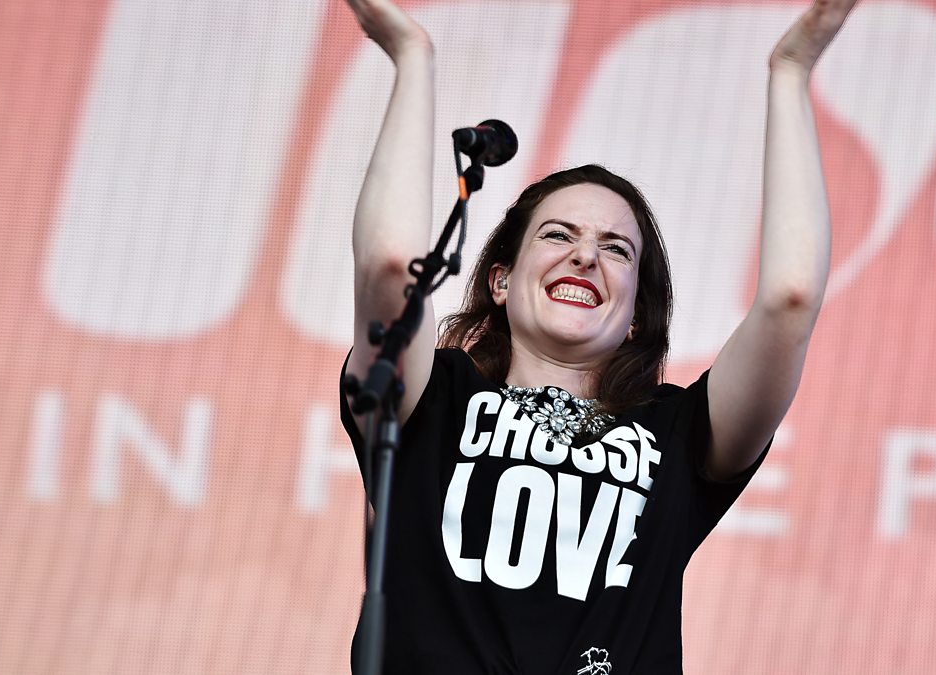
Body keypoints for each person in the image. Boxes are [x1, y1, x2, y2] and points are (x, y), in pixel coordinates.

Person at [339, 0, 856, 672]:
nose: (585, 256)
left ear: (637, 312)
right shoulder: (434, 400)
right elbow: (390, 264)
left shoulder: (675, 433)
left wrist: (791, 72)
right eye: (558, 235)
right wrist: (413, 58)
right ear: (501, 280)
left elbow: (790, 299)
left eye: (616, 249)